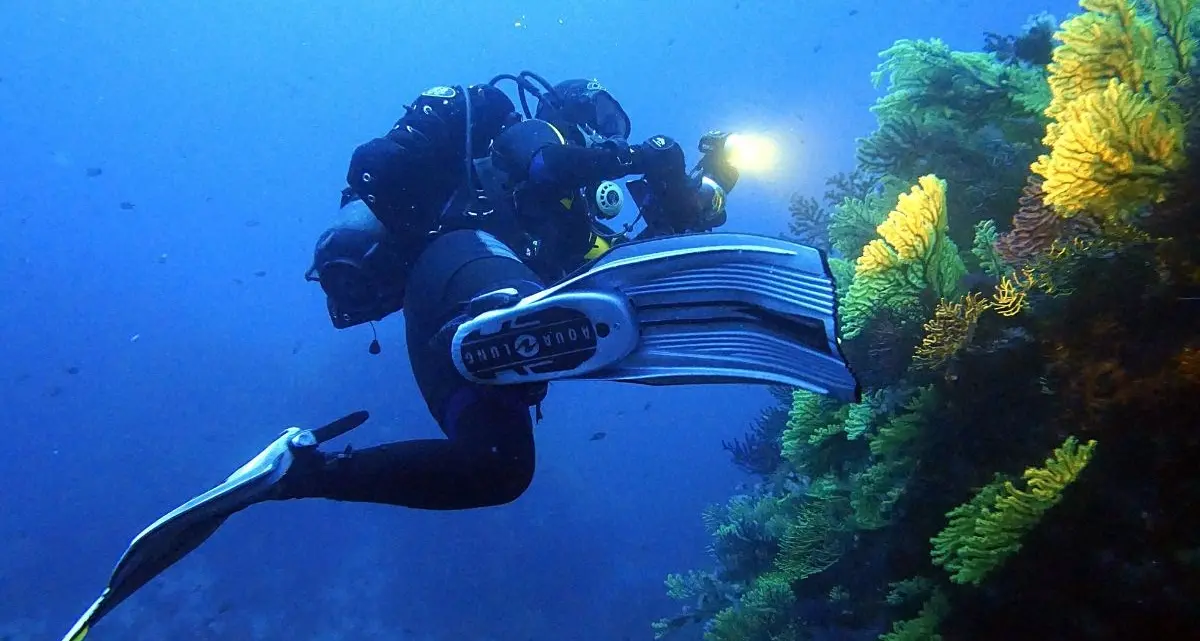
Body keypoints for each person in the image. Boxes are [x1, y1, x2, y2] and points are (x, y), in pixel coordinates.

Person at [60, 73, 859, 641]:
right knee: (513, 305)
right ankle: (503, 326)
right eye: (605, 115)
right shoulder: (534, 133)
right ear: (577, 108)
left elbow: (641, 272)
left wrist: (703, 183)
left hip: (448, 333)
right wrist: (637, 150)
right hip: (463, 267)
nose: (611, 129)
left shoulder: (575, 224)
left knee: (499, 470)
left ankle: (298, 473)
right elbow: (550, 166)